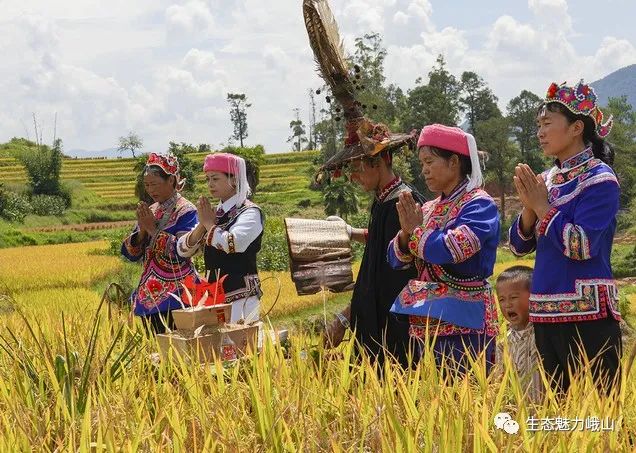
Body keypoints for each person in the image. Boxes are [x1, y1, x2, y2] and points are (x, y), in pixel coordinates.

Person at [509, 80, 622, 396]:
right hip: (545, 314)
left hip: (589, 317)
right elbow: (518, 247)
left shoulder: (600, 179)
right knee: (556, 415)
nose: (540, 132)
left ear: (576, 128)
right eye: (538, 125)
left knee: (597, 417)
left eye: (547, 124)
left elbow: (581, 246)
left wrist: (542, 206)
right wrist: (530, 208)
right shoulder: (546, 180)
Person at [387, 124, 500, 377]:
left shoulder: (479, 204)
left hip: (465, 324)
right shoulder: (427, 208)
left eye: (430, 161)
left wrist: (414, 233)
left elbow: (454, 248)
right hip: (425, 320)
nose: (424, 170)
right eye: (421, 163)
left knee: (469, 399)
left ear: (454, 162)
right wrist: (406, 235)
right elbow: (395, 258)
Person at [322, 120, 424, 369]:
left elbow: (391, 273)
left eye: (356, 168)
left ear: (377, 163)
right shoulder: (384, 200)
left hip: (395, 323)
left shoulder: (403, 203)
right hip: (377, 320)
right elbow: (381, 241)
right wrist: (351, 232)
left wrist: (345, 318)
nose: (353, 177)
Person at [177, 153, 264, 323]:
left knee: (241, 344)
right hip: (213, 297)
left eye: (215, 179)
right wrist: (203, 224)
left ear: (234, 180)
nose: (210, 184)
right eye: (207, 179)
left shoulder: (250, 212)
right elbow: (183, 249)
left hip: (241, 296)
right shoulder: (215, 213)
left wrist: (209, 224)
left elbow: (234, 243)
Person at [121, 152, 198, 334]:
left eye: (154, 184)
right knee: (155, 349)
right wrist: (142, 231)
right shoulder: (151, 210)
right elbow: (131, 253)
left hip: (178, 294)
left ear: (171, 181)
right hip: (149, 297)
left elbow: (183, 250)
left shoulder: (186, 211)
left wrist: (153, 230)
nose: (150, 190)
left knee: (180, 348)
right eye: (147, 185)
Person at [495, 265, 543, 403]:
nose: (507, 305)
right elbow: (500, 383)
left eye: (513, 297)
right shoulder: (503, 344)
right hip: (517, 413)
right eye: (502, 300)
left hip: (546, 412)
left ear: (533, 296)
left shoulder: (543, 336)